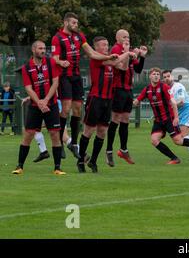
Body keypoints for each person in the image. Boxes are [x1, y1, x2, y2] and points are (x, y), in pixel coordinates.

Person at [52, 12, 117, 160]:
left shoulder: (79, 36)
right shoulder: (57, 38)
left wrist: (107, 57)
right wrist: (61, 62)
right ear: (66, 22)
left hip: (76, 76)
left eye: (77, 23)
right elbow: (54, 58)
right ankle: (60, 144)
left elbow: (92, 53)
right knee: (66, 107)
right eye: (73, 23)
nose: (76, 25)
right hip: (64, 77)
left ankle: (74, 143)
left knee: (77, 109)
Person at [77, 36, 132, 173]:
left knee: (102, 132)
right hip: (95, 99)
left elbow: (123, 67)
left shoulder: (110, 59)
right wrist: (127, 52)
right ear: (96, 48)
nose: (106, 47)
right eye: (103, 45)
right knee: (88, 131)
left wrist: (126, 54)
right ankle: (80, 160)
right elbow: (116, 61)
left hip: (108, 100)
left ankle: (94, 161)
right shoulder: (96, 59)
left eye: (107, 44)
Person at [133, 68, 189, 164]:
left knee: (179, 140)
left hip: (172, 117)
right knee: (154, 140)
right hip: (158, 121)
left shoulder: (167, 87)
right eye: (154, 74)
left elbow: (175, 102)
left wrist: (176, 117)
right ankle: (174, 158)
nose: (156, 76)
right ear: (150, 76)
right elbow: (136, 101)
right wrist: (131, 103)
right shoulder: (147, 89)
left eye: (158, 74)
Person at [12, 41, 65, 175]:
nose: (43, 50)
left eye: (44, 48)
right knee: (28, 134)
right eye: (40, 48)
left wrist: (46, 100)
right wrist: (40, 103)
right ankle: (19, 167)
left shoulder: (51, 62)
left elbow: (55, 82)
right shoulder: (26, 68)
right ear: (33, 50)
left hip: (51, 105)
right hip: (35, 107)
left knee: (54, 134)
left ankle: (57, 168)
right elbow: (28, 89)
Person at [105, 29, 147, 166]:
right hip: (118, 89)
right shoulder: (116, 49)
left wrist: (142, 57)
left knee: (125, 119)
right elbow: (122, 67)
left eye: (128, 36)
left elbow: (138, 70)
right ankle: (109, 151)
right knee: (115, 119)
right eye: (124, 37)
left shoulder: (127, 50)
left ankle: (123, 149)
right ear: (117, 38)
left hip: (128, 89)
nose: (126, 39)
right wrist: (129, 53)